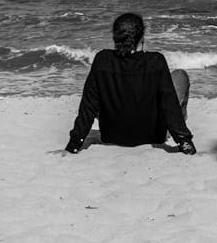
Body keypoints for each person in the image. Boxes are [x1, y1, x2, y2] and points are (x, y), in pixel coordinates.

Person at [65, 12, 196, 155]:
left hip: (111, 135)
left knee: (99, 88)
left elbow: (88, 107)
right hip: (153, 136)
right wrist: (185, 143)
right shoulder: (156, 61)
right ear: (142, 37)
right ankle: (179, 133)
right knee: (180, 75)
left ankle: (175, 131)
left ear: (116, 37)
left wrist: (74, 145)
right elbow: (168, 104)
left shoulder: (102, 59)